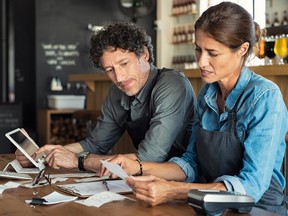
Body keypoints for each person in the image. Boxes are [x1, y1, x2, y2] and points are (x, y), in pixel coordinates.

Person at [100, 2, 288, 215]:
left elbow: (251, 187)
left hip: (258, 209)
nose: (201, 61)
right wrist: (137, 166)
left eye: (212, 53)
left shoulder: (265, 97)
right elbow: (191, 162)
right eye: (198, 49)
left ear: (242, 50)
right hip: (211, 205)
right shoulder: (208, 95)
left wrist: (175, 191)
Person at [15, 22, 197, 173]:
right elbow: (95, 144)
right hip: (147, 180)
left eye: (124, 64)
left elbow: (150, 157)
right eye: (110, 70)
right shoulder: (117, 92)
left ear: (144, 55)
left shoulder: (172, 84)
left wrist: (78, 161)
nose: (119, 78)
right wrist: (44, 154)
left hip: (185, 181)